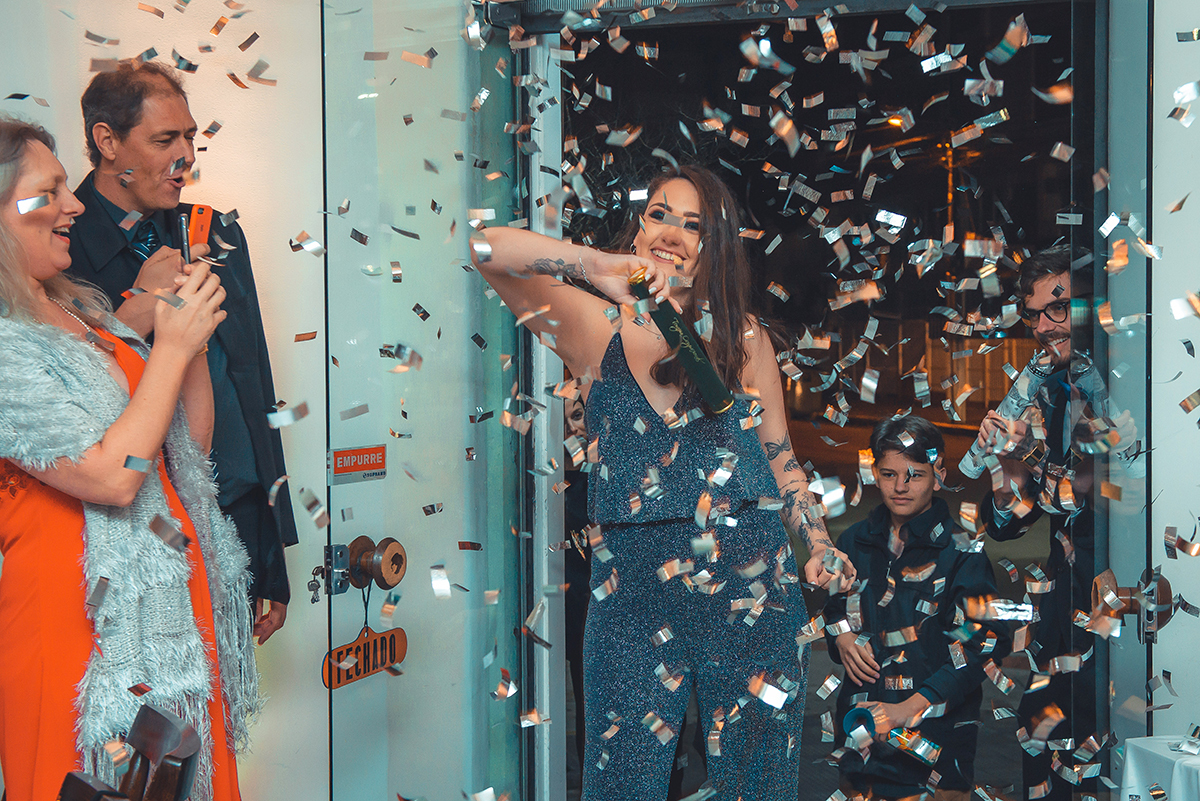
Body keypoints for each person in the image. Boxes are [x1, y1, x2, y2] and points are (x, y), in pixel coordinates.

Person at [473, 164, 856, 800]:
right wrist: (593, 265)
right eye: (658, 213)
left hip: (749, 583)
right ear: (639, 224)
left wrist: (816, 542)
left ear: (717, 247)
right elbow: (487, 248)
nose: (672, 231)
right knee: (622, 784)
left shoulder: (746, 339)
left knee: (754, 785)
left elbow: (782, 459)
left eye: (693, 223)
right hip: (631, 595)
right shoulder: (596, 327)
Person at [0, 118, 258, 801]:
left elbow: (181, 449)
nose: (75, 205)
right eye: (47, 192)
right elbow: (112, 476)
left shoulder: (84, 313)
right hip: (80, 631)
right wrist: (166, 346)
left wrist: (188, 333)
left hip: (169, 616)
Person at [65, 62, 295, 642]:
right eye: (165, 139)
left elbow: (252, 384)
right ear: (107, 141)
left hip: (232, 511)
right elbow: (64, 402)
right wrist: (130, 313)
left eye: (190, 136)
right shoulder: (57, 246)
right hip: (132, 531)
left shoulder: (212, 230)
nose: (186, 155)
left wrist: (271, 551)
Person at [974, 246, 1133, 800]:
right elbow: (1010, 527)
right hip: (1062, 607)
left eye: (1057, 309)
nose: (1042, 327)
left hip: (1123, 607)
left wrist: (1036, 457)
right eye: (1034, 313)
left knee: (1105, 747)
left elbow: (1114, 490)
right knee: (1038, 734)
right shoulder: (1047, 387)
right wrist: (1005, 468)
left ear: (1092, 308)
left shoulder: (1127, 381)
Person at [824, 415, 1009, 801]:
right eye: (889, 474)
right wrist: (840, 634)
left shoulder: (962, 550)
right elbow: (834, 608)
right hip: (860, 741)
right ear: (874, 472)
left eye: (915, 475)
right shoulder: (855, 540)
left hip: (935, 748)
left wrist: (911, 706)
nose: (901, 487)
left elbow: (983, 642)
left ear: (939, 472)